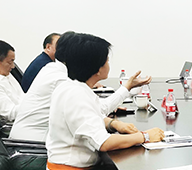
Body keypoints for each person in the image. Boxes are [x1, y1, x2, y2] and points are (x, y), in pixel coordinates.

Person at [45, 32, 165, 170]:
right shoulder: (75, 94)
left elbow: (98, 110)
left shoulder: (72, 87)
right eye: (107, 60)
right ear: (97, 67)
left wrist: (120, 104)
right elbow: (104, 143)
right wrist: (145, 136)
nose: (109, 63)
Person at [10, 32, 151, 142]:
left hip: (33, 140)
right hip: (33, 146)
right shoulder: (61, 79)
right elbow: (97, 111)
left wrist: (112, 122)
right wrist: (144, 136)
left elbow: (89, 109)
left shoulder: (53, 69)